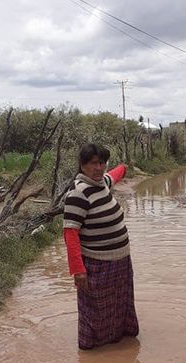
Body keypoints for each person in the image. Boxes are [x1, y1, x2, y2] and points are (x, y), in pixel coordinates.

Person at [63, 143, 139, 350]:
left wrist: (124, 166)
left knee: (120, 303)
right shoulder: (78, 194)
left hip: (120, 260)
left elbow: (114, 175)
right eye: (93, 163)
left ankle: (118, 343)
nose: (99, 167)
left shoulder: (101, 183)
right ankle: (93, 349)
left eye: (102, 162)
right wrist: (78, 271)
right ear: (82, 165)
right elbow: (70, 234)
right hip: (98, 264)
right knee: (95, 309)